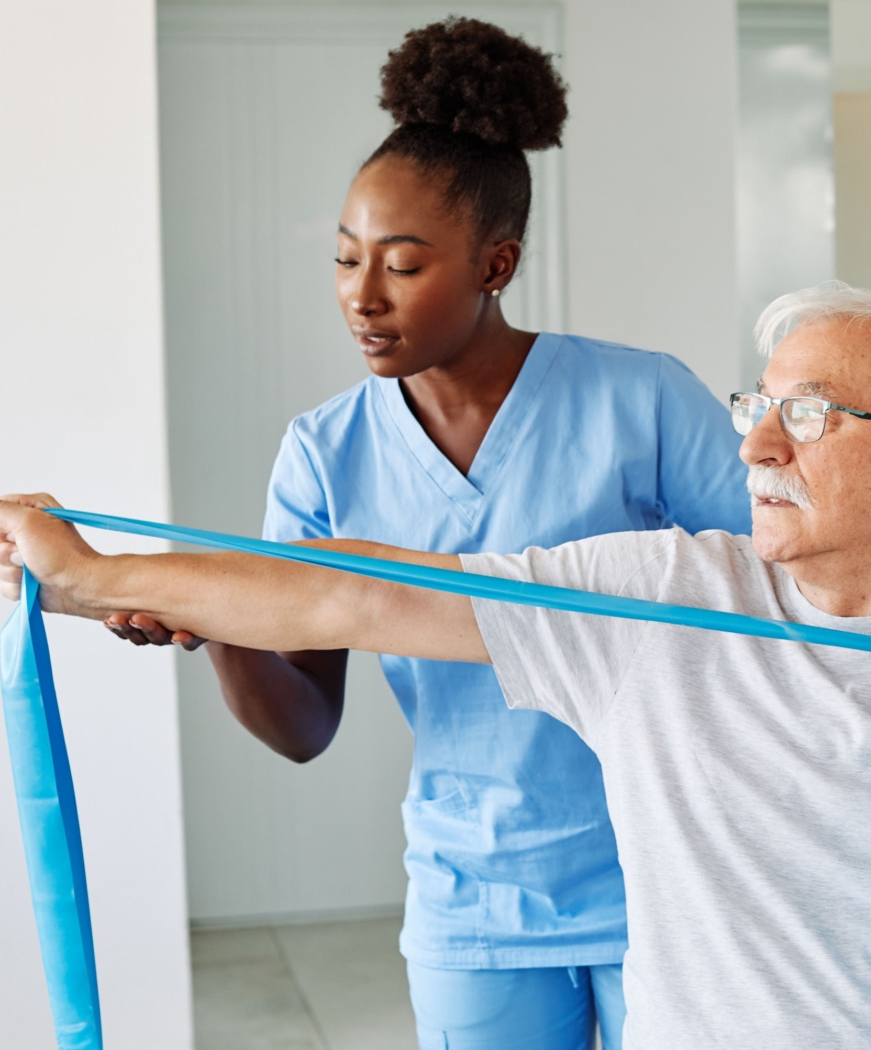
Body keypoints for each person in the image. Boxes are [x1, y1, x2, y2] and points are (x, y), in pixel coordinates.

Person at [0, 284, 871, 1050]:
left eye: (808, 414)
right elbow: (360, 586)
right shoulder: (663, 592)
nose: (755, 446)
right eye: (757, 406)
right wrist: (95, 575)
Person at [115, 17, 748, 1050]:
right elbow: (303, 727)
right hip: (475, 900)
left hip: (672, 877)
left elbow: (796, 588)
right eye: (345, 259)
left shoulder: (641, 402)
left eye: (402, 266)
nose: (361, 298)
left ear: (494, 263)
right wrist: (217, 620)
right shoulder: (325, 453)